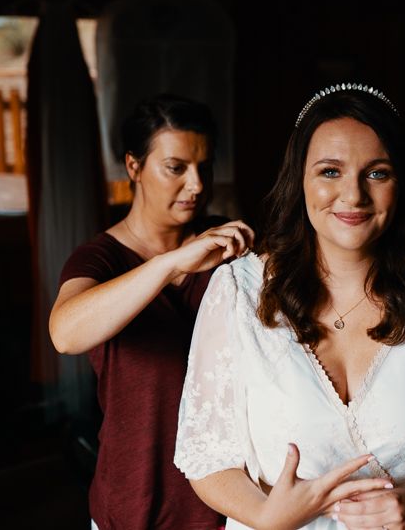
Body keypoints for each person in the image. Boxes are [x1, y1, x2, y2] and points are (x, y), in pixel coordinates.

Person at [175, 84, 405, 530]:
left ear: (402, 182)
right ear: (299, 178)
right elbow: (207, 453)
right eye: (330, 171)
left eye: (377, 173)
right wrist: (265, 516)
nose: (353, 195)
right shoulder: (238, 291)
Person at [49, 94, 254, 530]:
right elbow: (66, 334)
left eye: (205, 166)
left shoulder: (233, 248)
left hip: (230, 505)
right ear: (133, 166)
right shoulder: (99, 259)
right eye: (176, 167)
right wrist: (171, 263)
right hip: (134, 500)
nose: (197, 185)